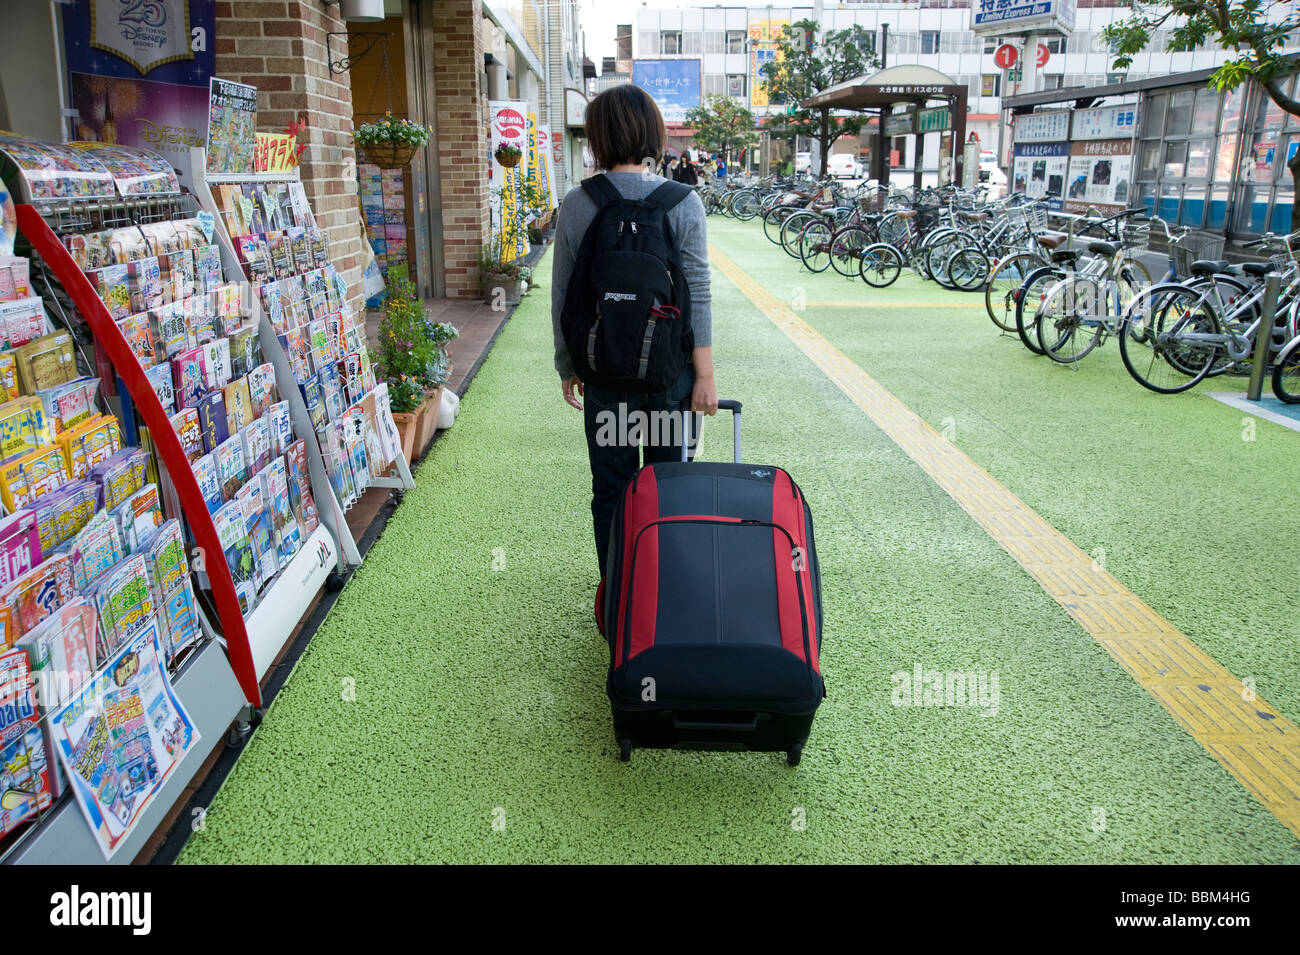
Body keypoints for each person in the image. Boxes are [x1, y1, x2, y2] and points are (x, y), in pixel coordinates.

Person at [551, 84, 718, 573]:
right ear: (652, 132)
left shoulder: (580, 203)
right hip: (671, 378)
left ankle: (620, 598)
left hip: (607, 380)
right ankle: (663, 603)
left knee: (612, 491)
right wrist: (704, 376)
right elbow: (698, 296)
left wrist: (568, 365)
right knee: (670, 489)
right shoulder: (684, 202)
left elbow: (565, 295)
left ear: (599, 138)